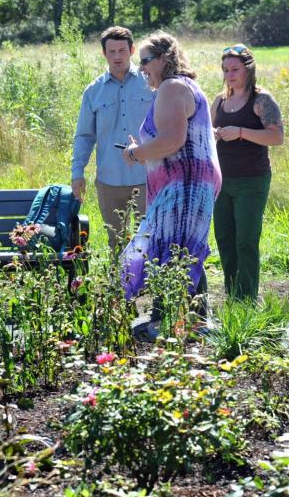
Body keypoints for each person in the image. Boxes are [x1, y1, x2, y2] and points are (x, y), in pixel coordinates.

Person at [121, 32, 222, 337]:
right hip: (187, 180)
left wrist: (135, 153)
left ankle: (170, 321)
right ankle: (191, 320)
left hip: (184, 182)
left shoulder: (172, 86)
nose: (142, 69)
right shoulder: (182, 87)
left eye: (146, 61)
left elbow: (173, 140)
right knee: (180, 246)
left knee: (175, 247)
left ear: (165, 59)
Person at [210, 44, 284, 301]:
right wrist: (216, 135)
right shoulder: (220, 100)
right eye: (226, 69)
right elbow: (208, 132)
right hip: (222, 180)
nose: (230, 75)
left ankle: (247, 298)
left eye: (235, 69)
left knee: (246, 241)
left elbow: (276, 137)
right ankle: (233, 295)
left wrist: (241, 132)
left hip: (252, 179)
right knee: (225, 239)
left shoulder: (261, 100)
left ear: (248, 69)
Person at [71, 26, 154, 245]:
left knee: (148, 240)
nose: (117, 57)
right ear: (104, 53)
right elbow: (85, 135)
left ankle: (147, 281)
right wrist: (77, 171)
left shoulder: (152, 84)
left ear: (132, 50)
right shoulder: (93, 91)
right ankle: (121, 280)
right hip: (109, 179)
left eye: (122, 50)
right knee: (116, 242)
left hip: (148, 177)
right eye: (111, 52)